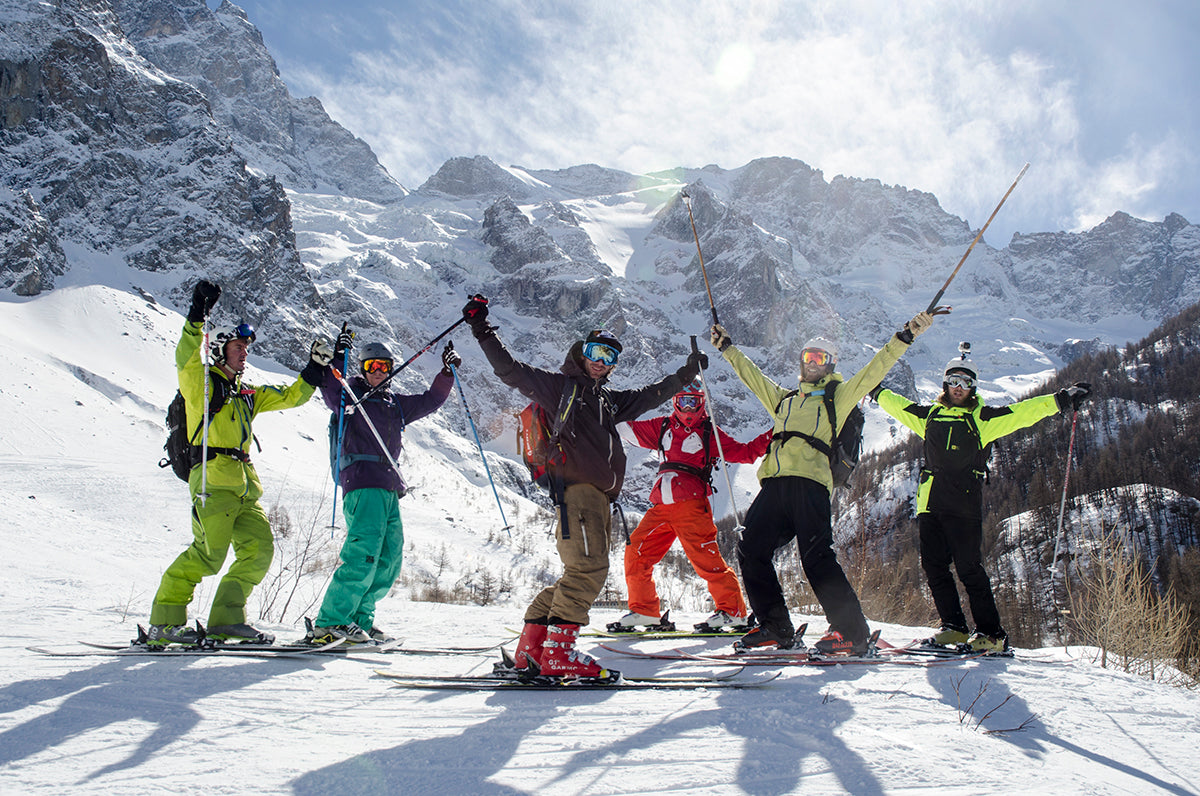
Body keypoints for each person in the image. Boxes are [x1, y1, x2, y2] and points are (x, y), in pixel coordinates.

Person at [462, 294, 705, 679]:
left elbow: (649, 397)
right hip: (577, 492)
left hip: (597, 499)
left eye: (609, 358)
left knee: (576, 573)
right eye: (595, 352)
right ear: (581, 352)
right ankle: (559, 654)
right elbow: (510, 371)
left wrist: (685, 375)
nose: (600, 362)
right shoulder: (560, 388)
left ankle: (532, 651)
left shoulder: (606, 400)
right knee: (589, 569)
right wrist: (480, 327)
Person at [711, 309, 941, 655]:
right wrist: (727, 347)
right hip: (775, 485)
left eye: (819, 358)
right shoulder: (785, 399)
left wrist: (906, 335)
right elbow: (752, 377)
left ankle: (852, 633)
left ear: (830, 363)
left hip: (811, 484)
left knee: (816, 557)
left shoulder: (839, 396)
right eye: (807, 357)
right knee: (751, 548)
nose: (812, 363)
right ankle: (776, 626)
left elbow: (874, 369)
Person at [146, 280, 331, 646]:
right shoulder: (201, 385)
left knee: (259, 551)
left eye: (246, 347)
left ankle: (226, 620)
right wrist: (198, 314)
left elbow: (291, 397)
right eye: (238, 347)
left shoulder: (247, 395)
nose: (244, 353)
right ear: (219, 350)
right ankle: (164, 623)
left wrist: (314, 369)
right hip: (212, 483)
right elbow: (185, 356)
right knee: (207, 557)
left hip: (245, 489)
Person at [871, 348, 1091, 652]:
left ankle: (992, 635)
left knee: (969, 568)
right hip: (930, 503)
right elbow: (899, 406)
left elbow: (1024, 412)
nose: (958, 387)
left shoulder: (983, 419)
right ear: (945, 384)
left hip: (963, 504)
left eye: (965, 382)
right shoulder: (930, 415)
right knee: (933, 566)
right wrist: (875, 389)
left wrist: (1061, 400)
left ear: (973, 387)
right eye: (953, 380)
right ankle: (954, 627)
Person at [308, 332, 459, 644]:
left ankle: (358, 619)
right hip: (363, 483)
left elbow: (431, 400)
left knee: (389, 558)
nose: (378, 370)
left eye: (385, 366)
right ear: (363, 368)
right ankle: (331, 620)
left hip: (389, 487)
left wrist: (446, 373)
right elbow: (329, 386)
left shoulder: (395, 405)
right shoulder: (349, 395)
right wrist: (339, 356)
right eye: (372, 365)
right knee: (363, 553)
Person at [613, 381, 772, 632]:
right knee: (636, 552)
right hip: (661, 506)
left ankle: (733, 611)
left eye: (694, 402)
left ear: (702, 403)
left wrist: (774, 434)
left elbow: (746, 453)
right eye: (683, 401)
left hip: (691, 505)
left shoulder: (710, 433)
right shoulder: (662, 426)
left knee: (705, 561)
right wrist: (608, 408)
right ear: (675, 402)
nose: (688, 408)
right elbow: (626, 430)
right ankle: (644, 610)